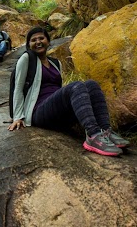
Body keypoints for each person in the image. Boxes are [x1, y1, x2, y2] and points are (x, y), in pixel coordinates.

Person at [8, 26, 130, 157]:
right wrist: (18, 117)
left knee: (91, 84)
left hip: (55, 110)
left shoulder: (56, 63)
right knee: (76, 86)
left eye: (41, 38)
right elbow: (18, 88)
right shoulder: (27, 58)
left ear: (48, 41)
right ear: (29, 45)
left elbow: (58, 90)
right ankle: (93, 135)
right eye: (33, 40)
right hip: (38, 111)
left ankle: (105, 131)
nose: (38, 42)